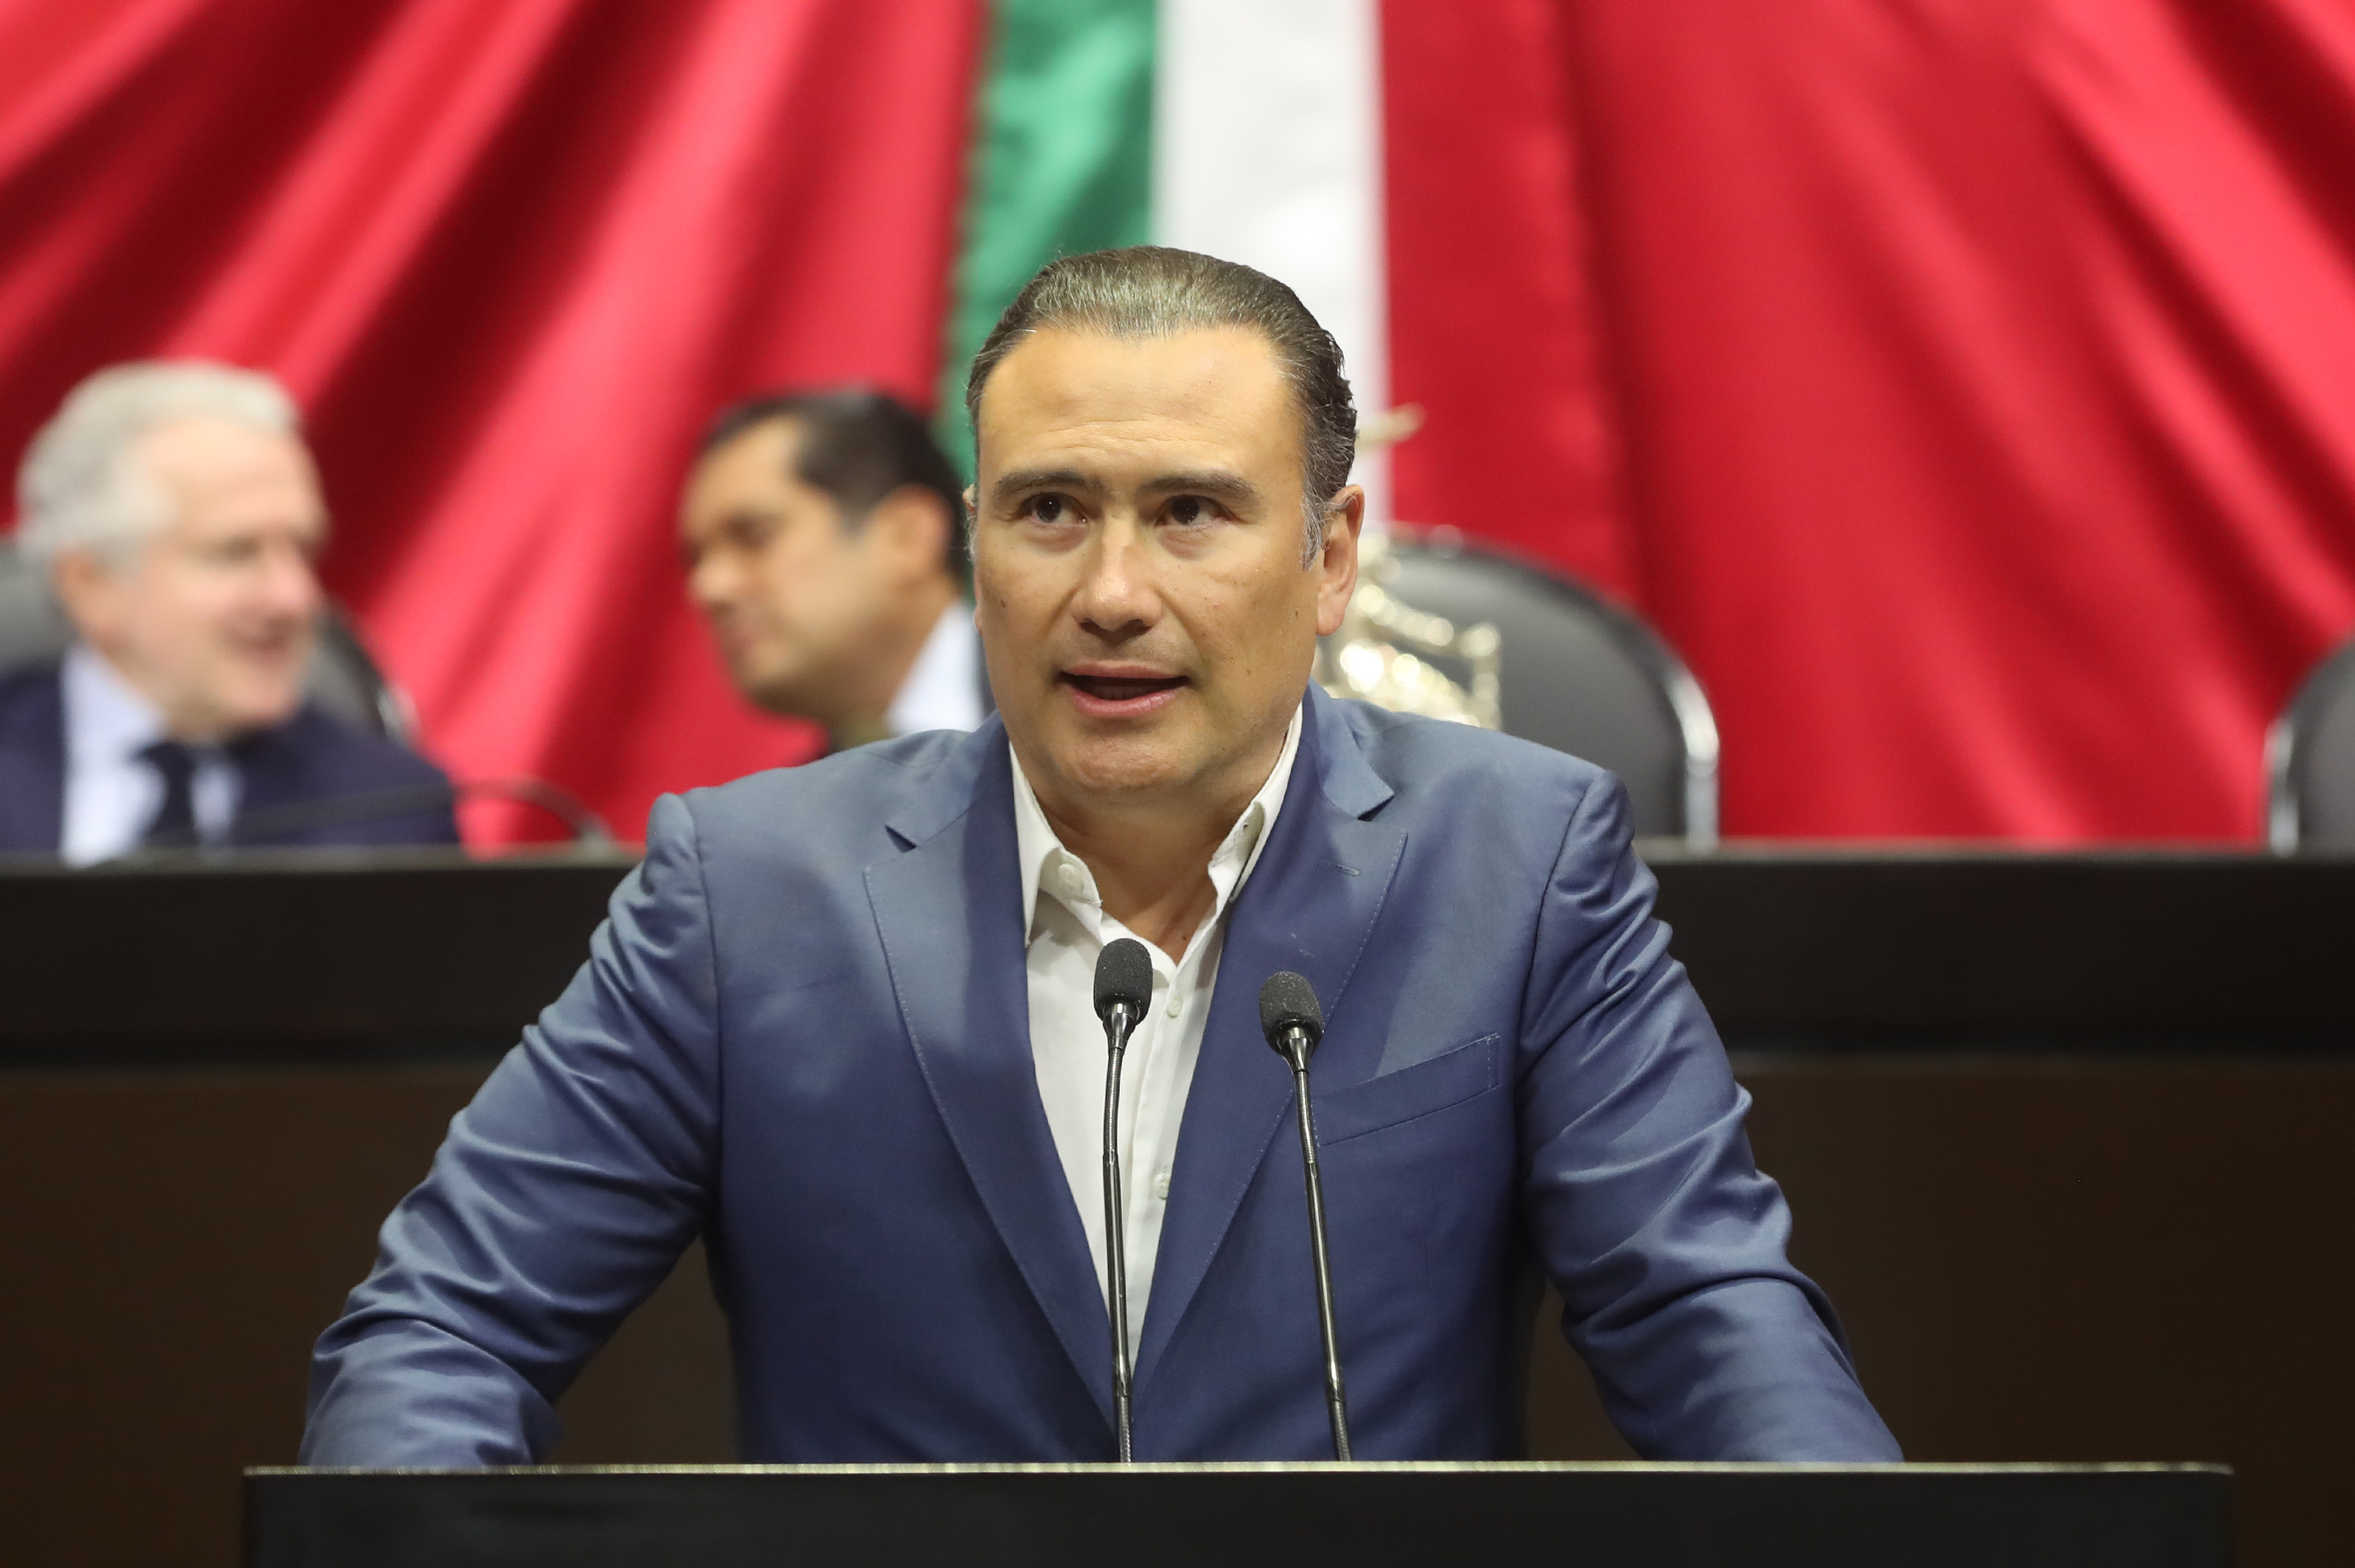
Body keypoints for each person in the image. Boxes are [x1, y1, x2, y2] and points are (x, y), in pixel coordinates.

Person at [305, 248, 1896, 1463]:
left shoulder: (1517, 859)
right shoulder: (753, 891)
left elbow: (1706, 1316)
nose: (1113, 592)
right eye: (1052, 510)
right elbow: (443, 1331)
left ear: (1328, 558)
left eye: (1190, 512)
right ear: (975, 540)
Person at [0, 362, 457, 859]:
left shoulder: (393, 808)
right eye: (236, 552)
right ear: (92, 585)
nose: (293, 597)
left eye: (303, 551)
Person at [680, 388, 984, 751]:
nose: (709, 588)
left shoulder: (1045, 706)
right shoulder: (806, 788)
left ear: (907, 537)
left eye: (755, 537)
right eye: (695, 560)